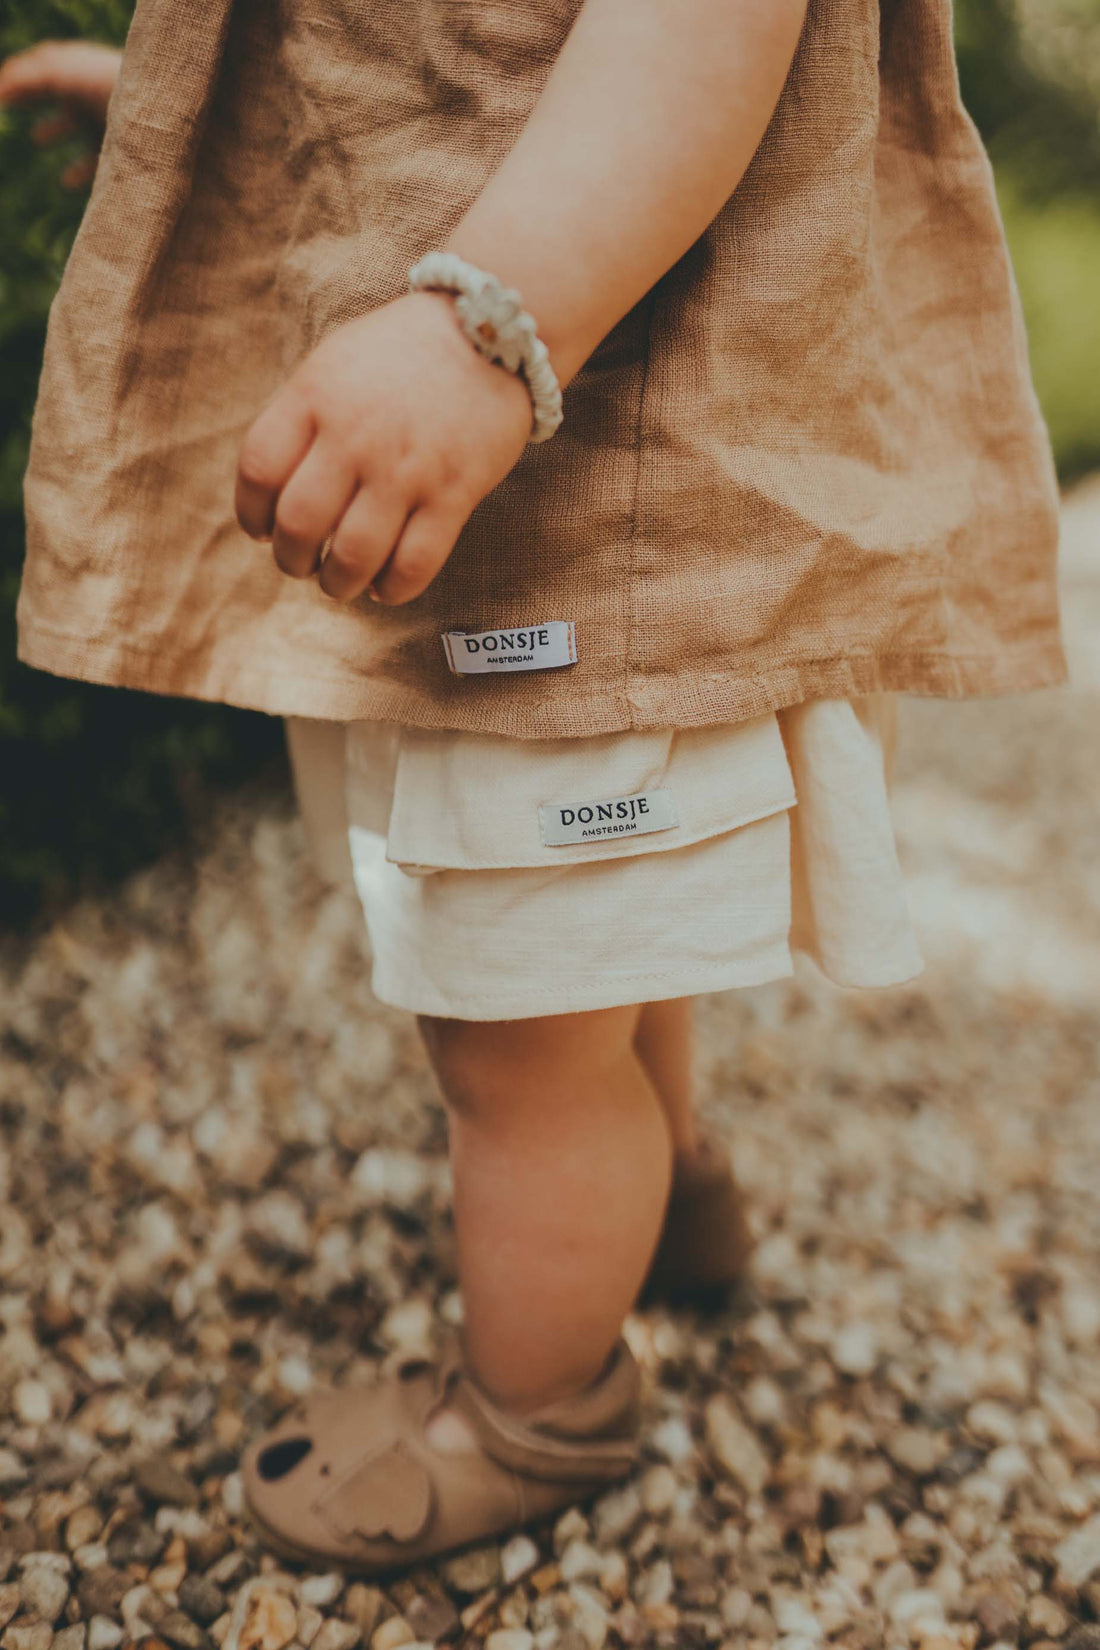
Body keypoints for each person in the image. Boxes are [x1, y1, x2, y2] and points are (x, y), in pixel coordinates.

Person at [2, 0, 1067, 1576]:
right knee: (594, 955)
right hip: (573, 497)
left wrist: (481, 329)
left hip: (569, 486)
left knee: (516, 1033)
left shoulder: (501, 349)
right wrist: (219, 112)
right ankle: (661, 1177)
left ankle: (541, 1401)